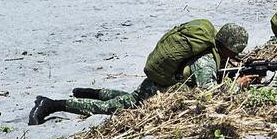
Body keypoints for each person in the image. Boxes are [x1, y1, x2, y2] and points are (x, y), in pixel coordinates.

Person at [28, 21, 250, 125]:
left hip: (157, 85)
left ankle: (92, 91)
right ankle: (51, 104)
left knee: (129, 97)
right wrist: (237, 85)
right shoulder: (206, 60)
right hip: (156, 92)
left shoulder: (210, 51)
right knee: (109, 109)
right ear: (229, 46)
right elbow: (209, 94)